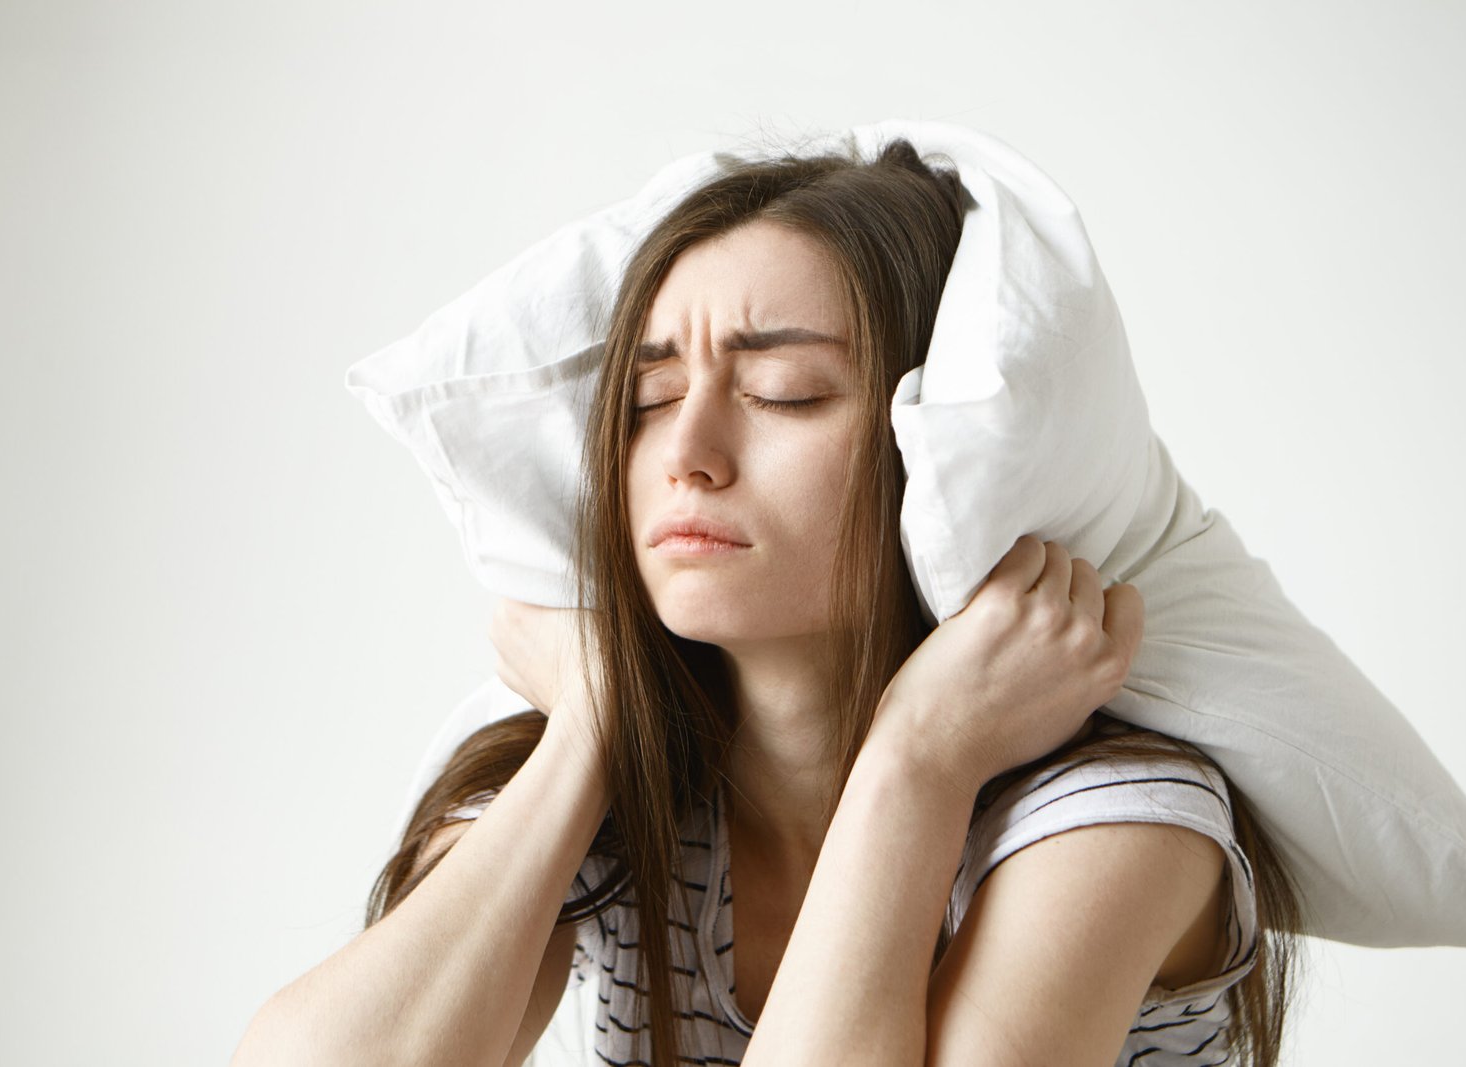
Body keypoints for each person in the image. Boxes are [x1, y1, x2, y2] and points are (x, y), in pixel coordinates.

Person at [231, 140, 1299, 1067]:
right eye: (649, 400)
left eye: (781, 393)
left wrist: (917, 759)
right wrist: (596, 720)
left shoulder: (1114, 817)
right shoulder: (610, 792)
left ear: (935, 452)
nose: (685, 456)